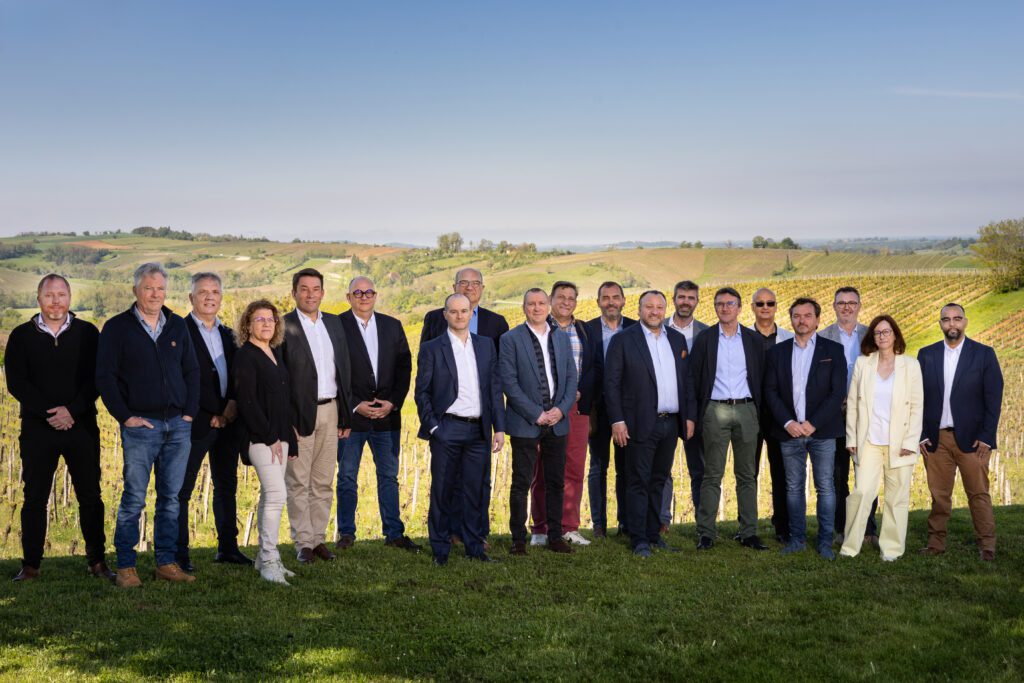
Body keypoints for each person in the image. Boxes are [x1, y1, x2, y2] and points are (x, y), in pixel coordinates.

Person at [96, 262, 199, 587]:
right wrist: (125, 416)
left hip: (178, 426)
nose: (155, 294)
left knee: (170, 498)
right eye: (148, 288)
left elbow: (192, 371)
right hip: (141, 427)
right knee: (134, 499)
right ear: (135, 291)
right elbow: (105, 377)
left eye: (160, 288)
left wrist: (189, 413)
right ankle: (126, 567)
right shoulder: (117, 328)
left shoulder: (177, 325)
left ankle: (166, 563)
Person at [5, 274, 112, 582]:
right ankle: (31, 566)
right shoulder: (21, 336)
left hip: (81, 426)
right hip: (38, 428)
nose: (56, 301)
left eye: (61, 295)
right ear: (39, 299)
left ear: (69, 298)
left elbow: (97, 379)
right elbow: (17, 383)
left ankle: (97, 562)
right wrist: (49, 413)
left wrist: (72, 411)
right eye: (49, 295)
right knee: (34, 497)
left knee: (90, 495)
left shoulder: (88, 333)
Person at [415, 294, 506, 565]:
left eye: (464, 311)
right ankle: (440, 550)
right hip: (447, 428)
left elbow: (494, 389)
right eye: (453, 311)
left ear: (470, 313)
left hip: (478, 431)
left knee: (474, 492)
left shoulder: (485, 345)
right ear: (445, 314)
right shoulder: (433, 348)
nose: (459, 316)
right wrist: (434, 427)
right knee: (442, 491)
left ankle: (474, 547)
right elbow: (422, 392)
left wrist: (499, 428)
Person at [604, 290, 695, 557]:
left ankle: (654, 534)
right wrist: (617, 420)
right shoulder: (623, 340)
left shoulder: (676, 339)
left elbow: (686, 381)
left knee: (658, 480)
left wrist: (689, 416)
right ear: (639, 309)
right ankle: (639, 539)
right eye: (649, 307)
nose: (654, 312)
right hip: (638, 423)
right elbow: (611, 384)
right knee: (638, 481)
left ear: (665, 310)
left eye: (659, 307)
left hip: (670, 423)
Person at [336, 276, 419, 552]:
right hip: (351, 417)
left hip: (387, 417)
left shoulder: (392, 326)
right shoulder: (337, 326)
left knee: (389, 477)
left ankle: (394, 533)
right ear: (349, 297)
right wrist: (354, 404)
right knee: (347, 477)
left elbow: (405, 367)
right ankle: (346, 533)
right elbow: (332, 370)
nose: (364, 297)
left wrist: (392, 403)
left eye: (368, 292)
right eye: (358, 292)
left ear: (375, 295)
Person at [177, 272, 250, 572]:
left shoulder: (230, 335)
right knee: (182, 490)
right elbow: (181, 381)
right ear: (191, 297)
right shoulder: (178, 332)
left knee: (226, 486)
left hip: (229, 423)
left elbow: (239, 375)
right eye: (203, 292)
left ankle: (228, 549)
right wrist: (211, 414)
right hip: (195, 423)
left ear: (221, 297)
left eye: (215, 292)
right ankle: (179, 555)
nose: (209, 297)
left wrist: (231, 406)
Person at [918, 303, 1003, 561]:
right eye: (946, 319)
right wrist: (921, 434)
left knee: (978, 494)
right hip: (937, 439)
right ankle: (935, 543)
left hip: (973, 440)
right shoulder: (927, 355)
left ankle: (987, 545)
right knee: (939, 496)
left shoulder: (984, 354)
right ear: (940, 324)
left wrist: (987, 437)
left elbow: (993, 399)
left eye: (957, 318)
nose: (952, 324)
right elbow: (916, 398)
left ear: (965, 322)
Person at [764, 298, 846, 560]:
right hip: (789, 432)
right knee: (793, 488)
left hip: (822, 432)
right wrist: (788, 422)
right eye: (797, 316)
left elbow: (837, 393)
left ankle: (825, 542)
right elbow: (770, 391)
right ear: (791, 319)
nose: (802, 320)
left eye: (807, 315)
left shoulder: (833, 350)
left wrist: (813, 423)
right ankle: (796, 539)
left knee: (826, 487)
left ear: (817, 320)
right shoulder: (777, 352)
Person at [281, 268, 353, 564]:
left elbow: (344, 369)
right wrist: (287, 421)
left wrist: (345, 416)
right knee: (298, 481)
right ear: (294, 293)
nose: (310, 294)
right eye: (304, 289)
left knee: (323, 480)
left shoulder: (334, 323)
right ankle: (303, 543)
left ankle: (318, 539)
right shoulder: (283, 325)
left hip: (331, 409)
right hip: (300, 414)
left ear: (323, 292)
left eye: (315, 289)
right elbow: (280, 378)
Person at [840, 315, 924, 561]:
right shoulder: (863, 364)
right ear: (872, 337)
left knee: (897, 498)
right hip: (868, 442)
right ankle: (850, 547)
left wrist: (910, 442)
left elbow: (917, 406)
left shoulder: (911, 365)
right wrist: (851, 438)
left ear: (895, 335)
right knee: (862, 493)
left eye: (887, 332)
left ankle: (892, 550)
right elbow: (853, 404)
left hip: (900, 443)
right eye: (877, 332)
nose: (882, 336)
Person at [502, 289, 579, 555]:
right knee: (521, 483)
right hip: (525, 422)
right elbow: (509, 383)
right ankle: (518, 540)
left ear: (548, 306)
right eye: (531, 304)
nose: (536, 308)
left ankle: (555, 536)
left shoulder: (561, 337)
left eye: (541, 303)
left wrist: (561, 410)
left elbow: (571, 378)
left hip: (557, 422)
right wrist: (536, 413)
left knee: (556, 482)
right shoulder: (510, 339)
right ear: (524, 307)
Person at [689, 287, 766, 551]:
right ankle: (706, 533)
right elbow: (694, 378)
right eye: (720, 304)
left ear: (740, 307)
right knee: (712, 474)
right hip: (715, 410)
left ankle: (748, 532)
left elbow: (761, 377)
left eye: (730, 303)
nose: (725, 308)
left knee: (747, 474)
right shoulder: (705, 339)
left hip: (746, 410)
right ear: (715, 308)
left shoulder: (753, 340)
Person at [233, 300, 298, 585]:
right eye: (259, 319)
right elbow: (247, 401)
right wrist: (270, 437)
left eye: (270, 319)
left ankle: (264, 558)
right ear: (248, 325)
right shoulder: (245, 356)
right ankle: (270, 560)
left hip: (279, 437)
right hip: (261, 438)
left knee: (270, 496)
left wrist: (288, 437)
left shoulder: (274, 352)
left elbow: (282, 399)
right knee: (276, 494)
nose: (266, 324)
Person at [528, 281, 596, 547]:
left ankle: (569, 527)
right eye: (561, 297)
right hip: (545, 409)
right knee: (542, 469)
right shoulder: (539, 328)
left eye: (571, 298)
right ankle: (540, 528)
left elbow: (593, 367)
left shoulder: (585, 331)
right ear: (550, 300)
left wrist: (580, 393)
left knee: (574, 469)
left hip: (576, 409)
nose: (566, 302)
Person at [820, 286, 878, 545]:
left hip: (866, 414)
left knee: (866, 473)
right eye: (841, 302)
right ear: (834, 306)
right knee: (837, 475)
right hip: (833, 415)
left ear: (859, 306)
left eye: (851, 302)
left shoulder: (872, 336)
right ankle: (842, 528)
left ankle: (868, 529)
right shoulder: (823, 337)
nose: (846, 307)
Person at [586, 281, 637, 538]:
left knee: (625, 468)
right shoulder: (587, 330)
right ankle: (599, 525)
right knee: (597, 467)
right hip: (596, 409)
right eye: (605, 298)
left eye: (615, 297)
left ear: (624, 300)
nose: (611, 302)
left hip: (627, 410)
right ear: (598, 302)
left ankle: (625, 522)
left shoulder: (636, 329)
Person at [661, 280, 708, 530]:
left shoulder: (707, 333)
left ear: (697, 302)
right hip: (665, 407)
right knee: (662, 467)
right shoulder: (657, 328)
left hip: (697, 409)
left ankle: (703, 522)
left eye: (691, 298)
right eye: (681, 297)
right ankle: (661, 520)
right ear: (674, 299)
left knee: (699, 468)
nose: (685, 302)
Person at [750, 287, 794, 543]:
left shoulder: (789, 338)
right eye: (760, 303)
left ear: (776, 307)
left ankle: (783, 525)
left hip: (780, 414)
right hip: (752, 412)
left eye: (770, 303)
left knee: (781, 471)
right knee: (749, 472)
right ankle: (748, 525)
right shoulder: (743, 337)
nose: (765, 307)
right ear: (753, 307)